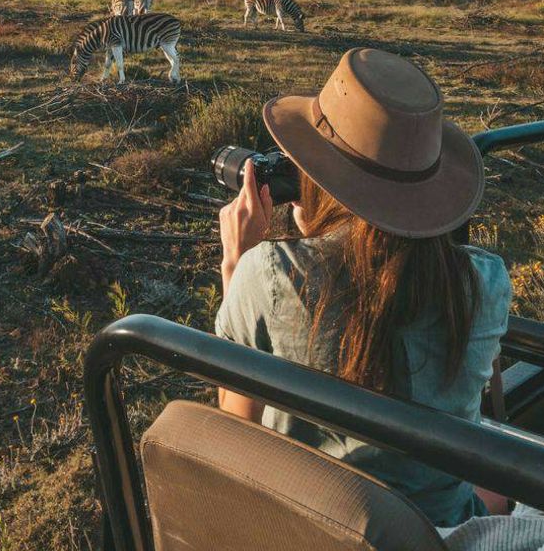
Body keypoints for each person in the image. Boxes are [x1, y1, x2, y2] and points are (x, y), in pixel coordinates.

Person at [215, 47, 513, 529]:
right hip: (433, 529)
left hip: (314, 526)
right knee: (496, 478)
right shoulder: (486, 282)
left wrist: (236, 265)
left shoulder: (268, 272)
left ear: (322, 175)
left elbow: (235, 424)